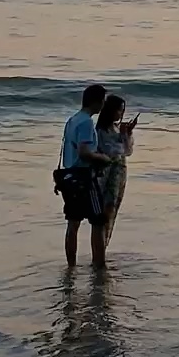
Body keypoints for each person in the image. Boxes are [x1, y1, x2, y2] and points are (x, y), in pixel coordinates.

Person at [55, 84, 115, 268]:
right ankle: (99, 264)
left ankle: (71, 267)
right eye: (103, 101)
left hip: (68, 176)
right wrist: (103, 158)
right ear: (96, 102)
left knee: (73, 224)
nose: (103, 105)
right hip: (84, 178)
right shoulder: (86, 123)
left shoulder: (72, 120)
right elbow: (84, 152)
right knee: (98, 221)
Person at [93, 94, 136, 249]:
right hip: (107, 172)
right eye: (119, 111)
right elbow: (109, 150)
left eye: (122, 111)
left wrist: (127, 134)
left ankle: (105, 245)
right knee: (107, 208)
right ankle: (100, 247)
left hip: (120, 172)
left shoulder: (117, 129)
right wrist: (122, 137)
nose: (121, 114)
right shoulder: (101, 130)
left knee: (114, 208)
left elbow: (128, 151)